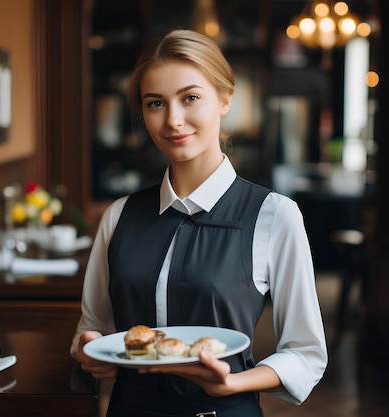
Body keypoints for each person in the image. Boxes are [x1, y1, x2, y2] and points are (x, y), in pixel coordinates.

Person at [71, 29, 327, 417]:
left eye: (190, 98)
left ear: (225, 99)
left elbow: (306, 353)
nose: (173, 120)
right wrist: (89, 352)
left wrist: (234, 382)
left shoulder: (275, 214)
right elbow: (92, 328)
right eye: (155, 103)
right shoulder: (119, 215)